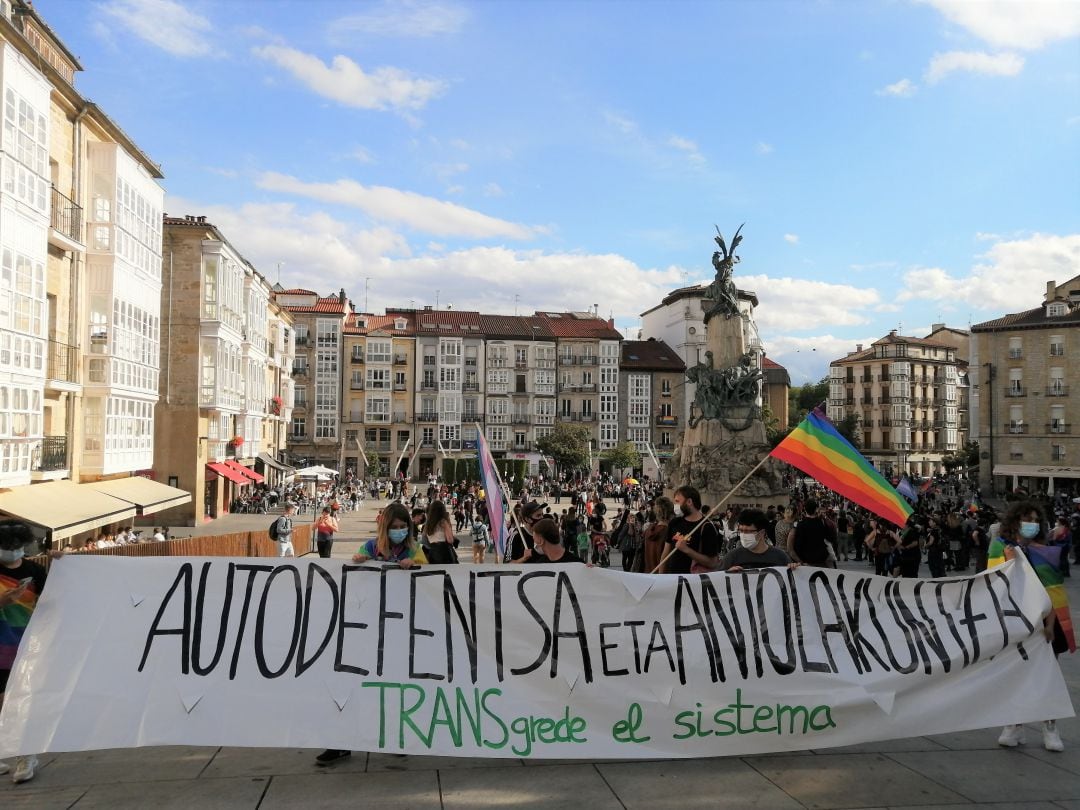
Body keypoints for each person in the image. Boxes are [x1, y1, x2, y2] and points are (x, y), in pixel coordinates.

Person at [318, 504, 428, 766]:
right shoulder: (370, 548)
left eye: (404, 528)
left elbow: (428, 577)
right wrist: (357, 561)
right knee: (348, 686)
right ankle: (341, 741)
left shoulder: (414, 549)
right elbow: (353, 576)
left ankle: (396, 735)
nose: (399, 531)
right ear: (385, 527)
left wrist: (415, 566)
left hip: (398, 630)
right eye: (395, 527)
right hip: (364, 627)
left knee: (393, 687)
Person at [991, 502, 1075, 752]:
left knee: (1047, 675)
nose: (1032, 523)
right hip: (1015, 621)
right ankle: (1014, 725)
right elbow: (991, 584)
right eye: (1028, 518)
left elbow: (1054, 592)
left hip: (1045, 622)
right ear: (1015, 520)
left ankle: (1050, 727)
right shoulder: (999, 548)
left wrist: (1050, 624)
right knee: (1016, 675)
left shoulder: (1047, 552)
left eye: (1036, 519)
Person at [0, 520, 48, 782]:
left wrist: (63, 562)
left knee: (18, 701)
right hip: (2, 644)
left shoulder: (35, 571)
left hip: (23, 645)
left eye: (14, 546)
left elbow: (54, 599)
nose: (11, 551)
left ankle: (25, 755)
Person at [661, 486, 721, 574]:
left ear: (689, 502)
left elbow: (712, 563)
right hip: (672, 580)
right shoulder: (674, 522)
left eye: (678, 501)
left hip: (692, 582)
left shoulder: (707, 527)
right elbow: (665, 554)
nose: (675, 505)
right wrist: (660, 577)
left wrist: (687, 550)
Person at [719, 508, 795, 572]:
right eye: (741, 531)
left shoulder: (781, 557)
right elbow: (717, 581)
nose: (743, 535)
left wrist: (795, 569)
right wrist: (727, 574)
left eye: (747, 531)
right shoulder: (732, 557)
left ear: (762, 533)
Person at [790, 500, 837, 568]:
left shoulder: (801, 525)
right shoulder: (821, 522)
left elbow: (798, 544)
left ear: (805, 509)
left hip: (807, 559)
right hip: (821, 558)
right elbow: (829, 537)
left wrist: (800, 560)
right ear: (816, 509)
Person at [422, 500, 458, 564]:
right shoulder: (443, 522)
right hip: (444, 552)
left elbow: (425, 541)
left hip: (432, 552)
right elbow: (450, 540)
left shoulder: (427, 524)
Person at [644, 496, 674, 572]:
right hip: (663, 578)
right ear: (670, 514)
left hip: (649, 574)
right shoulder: (668, 532)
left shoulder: (648, 530)